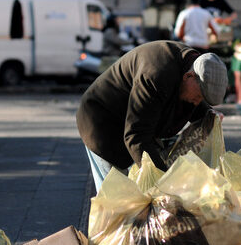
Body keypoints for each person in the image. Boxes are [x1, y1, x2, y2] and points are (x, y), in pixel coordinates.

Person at [76, 41, 228, 191]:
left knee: (140, 197)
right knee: (117, 200)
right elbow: (137, 136)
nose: (198, 102)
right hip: (102, 122)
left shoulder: (190, 64)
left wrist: (208, 116)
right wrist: (165, 180)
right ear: (188, 76)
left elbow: (194, 96)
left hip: (134, 124)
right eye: (199, 96)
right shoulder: (156, 75)